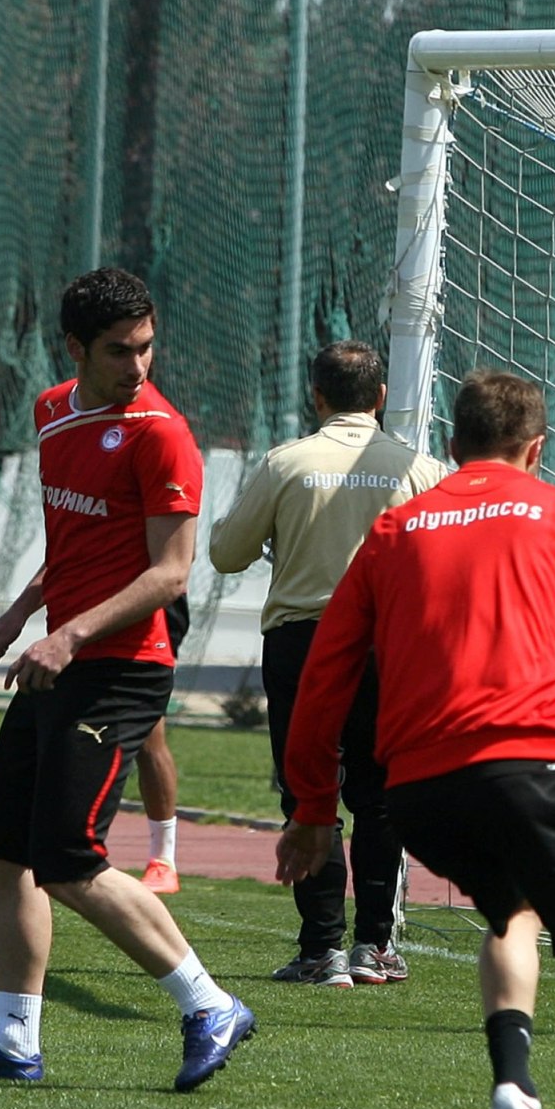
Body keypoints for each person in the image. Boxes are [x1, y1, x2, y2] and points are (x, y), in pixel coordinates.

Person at [276, 369, 555, 1109]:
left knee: (513, 912)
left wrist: (314, 808)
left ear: (453, 446)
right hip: (530, 768)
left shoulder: (395, 530)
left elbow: (323, 676)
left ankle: (513, 1085)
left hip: (420, 792)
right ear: (535, 449)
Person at [0, 267, 253, 1092]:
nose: (138, 365)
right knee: (0, 852)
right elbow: (76, 544)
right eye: (118, 350)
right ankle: (14, 1039)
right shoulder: (54, 412)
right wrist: (24, 611)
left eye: (146, 346)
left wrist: (66, 633)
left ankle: (208, 1004)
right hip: (59, 655)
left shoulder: (161, 434)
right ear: (74, 350)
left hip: (121, 669)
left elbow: (171, 573)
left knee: (67, 858)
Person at [213, 341, 444, 987]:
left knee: (307, 792)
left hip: (304, 639)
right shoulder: (420, 468)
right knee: (377, 797)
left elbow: (227, 554)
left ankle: (322, 949)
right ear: (378, 398)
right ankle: (374, 945)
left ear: (317, 397)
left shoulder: (286, 462)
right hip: (386, 643)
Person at [136, 600, 186, 893]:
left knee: (148, 735)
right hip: (81, 604)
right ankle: (9, 851)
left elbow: (175, 567)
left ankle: (163, 860)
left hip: (149, 611)